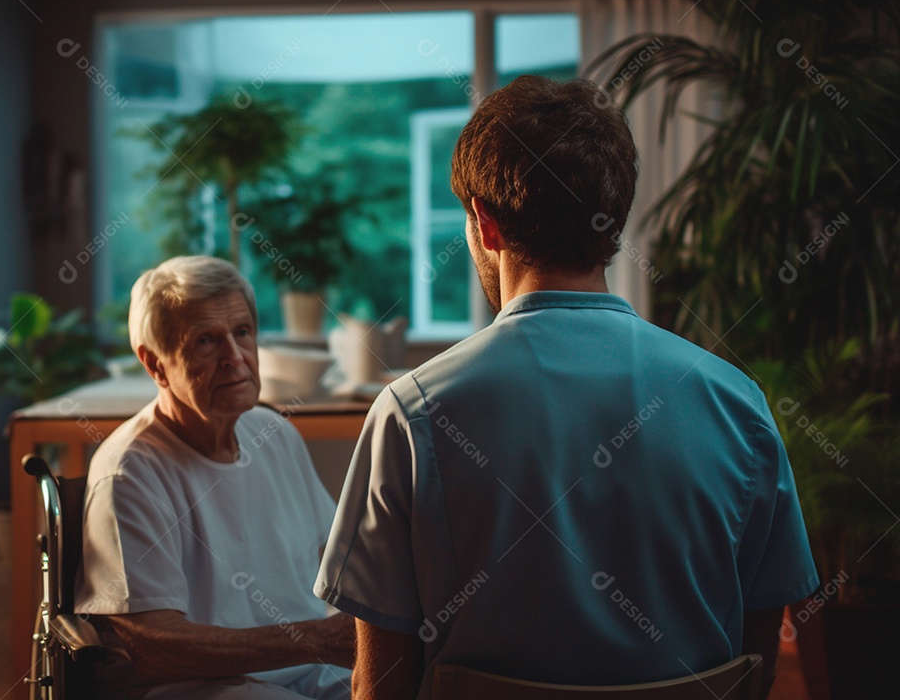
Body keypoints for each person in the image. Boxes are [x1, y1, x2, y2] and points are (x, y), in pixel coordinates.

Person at [314, 76, 819, 700]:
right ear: (612, 221)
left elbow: (380, 687)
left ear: (484, 223)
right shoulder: (737, 404)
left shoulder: (410, 414)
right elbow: (757, 667)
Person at [75, 256, 354, 700]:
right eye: (205, 341)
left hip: (301, 670)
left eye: (242, 332)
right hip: (189, 685)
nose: (234, 358)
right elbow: (149, 645)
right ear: (155, 364)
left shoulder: (275, 433)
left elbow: (339, 559)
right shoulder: (130, 471)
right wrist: (320, 640)